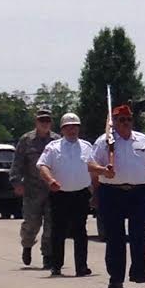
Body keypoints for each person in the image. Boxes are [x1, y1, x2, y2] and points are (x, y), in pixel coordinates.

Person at [88, 104, 145, 288]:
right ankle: (116, 277)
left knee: (139, 235)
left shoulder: (142, 140)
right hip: (111, 192)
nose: (125, 123)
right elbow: (90, 165)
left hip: (139, 192)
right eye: (121, 119)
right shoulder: (104, 142)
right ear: (114, 122)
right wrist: (103, 171)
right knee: (115, 237)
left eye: (128, 119)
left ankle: (138, 272)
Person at [36, 113, 93, 277]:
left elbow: (93, 167)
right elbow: (43, 166)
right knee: (58, 230)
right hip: (59, 194)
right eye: (68, 127)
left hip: (81, 194)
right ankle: (56, 265)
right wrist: (50, 180)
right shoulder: (53, 147)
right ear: (62, 129)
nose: (72, 129)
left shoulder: (87, 146)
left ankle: (81, 266)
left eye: (75, 126)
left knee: (80, 231)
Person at [10, 107, 60, 269]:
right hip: (32, 189)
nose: (45, 123)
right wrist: (16, 182)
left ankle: (47, 255)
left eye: (47, 120)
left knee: (51, 224)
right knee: (32, 223)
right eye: (41, 120)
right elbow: (17, 163)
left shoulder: (57, 140)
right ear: (36, 121)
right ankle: (27, 245)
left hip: (52, 188)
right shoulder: (26, 140)